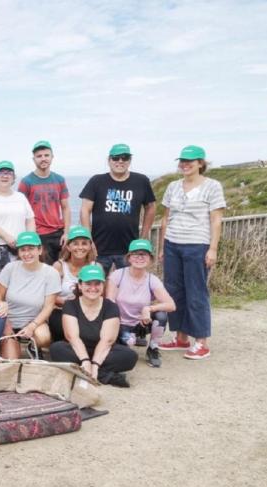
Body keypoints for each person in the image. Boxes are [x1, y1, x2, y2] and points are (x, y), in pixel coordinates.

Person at [156, 145, 226, 360]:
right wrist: (161, 247)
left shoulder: (212, 186)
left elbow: (216, 219)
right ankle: (181, 337)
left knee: (196, 292)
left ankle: (201, 341)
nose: (185, 165)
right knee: (174, 291)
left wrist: (212, 248)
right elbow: (166, 218)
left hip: (197, 245)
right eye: (182, 161)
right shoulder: (173, 186)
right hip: (172, 243)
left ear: (200, 163)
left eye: (190, 161)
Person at [49, 264, 138, 387]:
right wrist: (85, 361)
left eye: (97, 284)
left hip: (104, 351)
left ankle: (85, 372)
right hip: (76, 349)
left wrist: (95, 364)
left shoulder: (111, 307)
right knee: (57, 349)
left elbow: (107, 340)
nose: (93, 288)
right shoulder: (70, 305)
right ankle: (105, 375)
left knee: (129, 356)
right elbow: (72, 338)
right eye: (88, 284)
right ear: (80, 286)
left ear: (103, 286)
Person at [79, 143, 156, 273]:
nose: (120, 161)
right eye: (116, 158)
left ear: (130, 160)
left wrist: (143, 236)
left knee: (127, 287)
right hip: (99, 248)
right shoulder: (97, 181)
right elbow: (85, 210)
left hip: (129, 249)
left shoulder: (141, 181)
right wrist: (88, 239)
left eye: (125, 157)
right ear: (109, 160)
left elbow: (151, 206)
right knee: (96, 286)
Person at [106, 239, 176, 368]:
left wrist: (149, 308)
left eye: (144, 254)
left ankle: (153, 348)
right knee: (128, 344)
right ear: (129, 258)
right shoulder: (117, 275)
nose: (139, 257)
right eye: (135, 254)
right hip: (120, 323)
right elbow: (109, 303)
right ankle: (124, 338)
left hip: (142, 323)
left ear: (150, 258)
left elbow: (171, 305)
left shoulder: (152, 280)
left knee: (161, 315)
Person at [0, 232, 60, 359]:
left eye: (31, 249)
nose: (27, 253)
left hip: (34, 321)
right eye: (22, 250)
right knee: (12, 361)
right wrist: (5, 321)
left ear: (40, 250)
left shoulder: (51, 273)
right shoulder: (10, 268)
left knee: (44, 337)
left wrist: (32, 326)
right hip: (9, 321)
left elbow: (48, 307)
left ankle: (32, 346)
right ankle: (6, 344)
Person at [0, 160, 35, 274]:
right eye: (1, 172)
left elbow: (30, 220)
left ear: (14, 178)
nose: (5, 176)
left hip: (18, 251)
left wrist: (29, 240)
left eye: (9, 173)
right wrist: (6, 237)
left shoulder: (21, 197)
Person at [18, 140, 70, 264]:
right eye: (39, 156)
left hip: (58, 233)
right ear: (34, 159)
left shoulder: (59, 180)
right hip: (38, 234)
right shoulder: (26, 182)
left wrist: (66, 233)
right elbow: (20, 210)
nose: (43, 159)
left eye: (46, 155)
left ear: (52, 157)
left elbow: (66, 208)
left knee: (61, 269)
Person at [48, 225, 97, 342]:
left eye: (84, 243)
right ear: (69, 246)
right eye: (75, 243)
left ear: (90, 246)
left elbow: (100, 296)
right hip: (61, 310)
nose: (80, 247)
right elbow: (49, 296)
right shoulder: (58, 266)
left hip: (87, 311)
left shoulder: (95, 267)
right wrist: (68, 303)